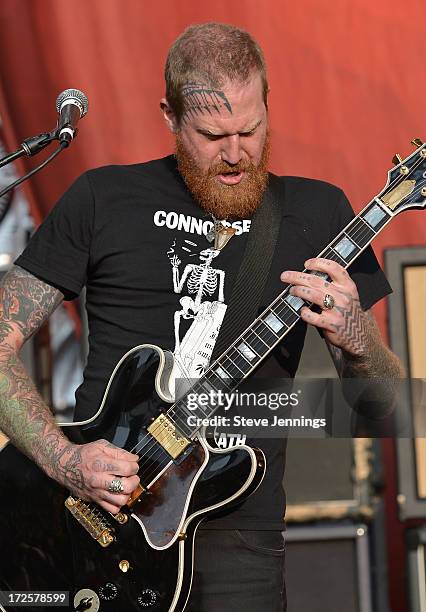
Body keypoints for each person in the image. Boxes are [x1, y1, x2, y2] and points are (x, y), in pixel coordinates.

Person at [0, 22, 403, 611]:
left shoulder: (319, 214)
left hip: (242, 541)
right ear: (169, 116)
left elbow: (383, 413)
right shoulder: (103, 199)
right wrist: (65, 461)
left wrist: (358, 336)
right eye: (213, 135)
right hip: (87, 514)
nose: (236, 154)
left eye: (251, 130)